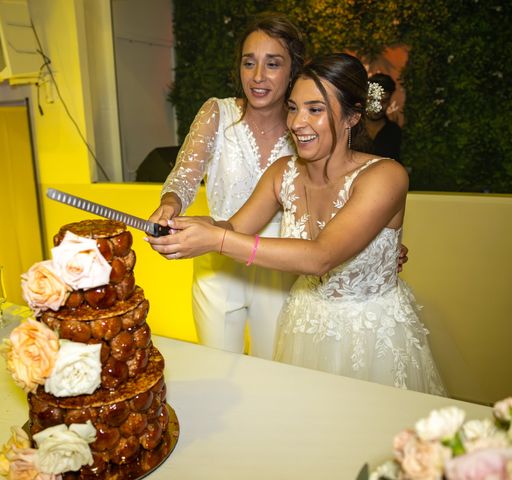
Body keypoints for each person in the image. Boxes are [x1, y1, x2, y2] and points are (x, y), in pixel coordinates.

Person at [147, 53, 445, 395]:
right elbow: (235, 228)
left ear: (352, 116)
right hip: (303, 325)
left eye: (315, 110)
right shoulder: (282, 173)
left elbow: (321, 256)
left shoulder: (385, 176)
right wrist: (190, 227)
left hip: (370, 337)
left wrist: (216, 240)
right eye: (293, 108)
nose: (297, 122)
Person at [148, 13, 305, 359]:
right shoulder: (216, 113)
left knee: (276, 377)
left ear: (293, 70)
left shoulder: (304, 128)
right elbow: (185, 176)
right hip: (216, 268)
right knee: (220, 373)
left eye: (273, 64)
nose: (258, 76)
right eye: (249, 63)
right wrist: (171, 204)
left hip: (277, 273)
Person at [365, 72, 402, 162]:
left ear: (389, 101)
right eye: (374, 100)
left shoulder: (394, 132)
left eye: (384, 101)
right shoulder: (351, 128)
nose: (378, 106)